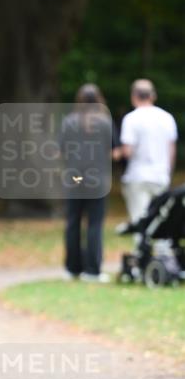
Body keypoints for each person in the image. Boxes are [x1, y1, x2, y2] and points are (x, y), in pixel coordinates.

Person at [60, 84, 118, 283]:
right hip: (97, 179)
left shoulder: (69, 122)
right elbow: (114, 151)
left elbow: (62, 151)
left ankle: (72, 268)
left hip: (75, 179)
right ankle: (93, 270)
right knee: (94, 224)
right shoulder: (105, 122)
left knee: (72, 223)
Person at [119, 79, 178, 224]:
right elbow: (171, 150)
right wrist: (168, 172)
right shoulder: (167, 118)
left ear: (134, 96)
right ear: (153, 96)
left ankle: (142, 246)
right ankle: (162, 247)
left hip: (137, 176)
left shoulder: (131, 119)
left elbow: (127, 151)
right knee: (161, 221)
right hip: (160, 175)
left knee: (140, 220)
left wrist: (116, 153)